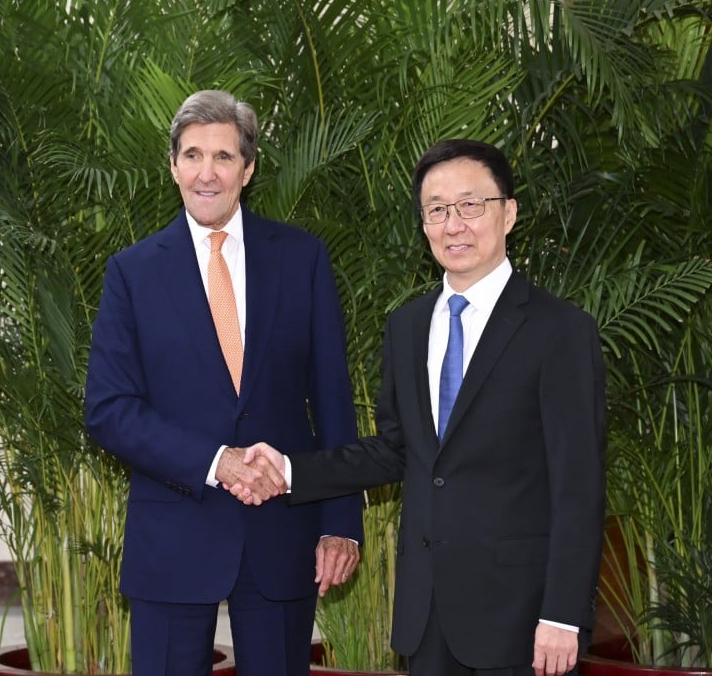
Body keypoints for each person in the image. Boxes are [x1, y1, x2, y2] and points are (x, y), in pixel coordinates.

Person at [231, 139, 607, 676]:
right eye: (437, 209)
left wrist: (563, 614)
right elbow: (395, 451)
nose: (454, 225)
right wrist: (290, 470)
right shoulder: (407, 327)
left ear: (508, 213)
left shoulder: (560, 330)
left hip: (522, 619)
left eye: (470, 205)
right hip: (425, 615)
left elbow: (578, 485)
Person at [84, 89, 362, 676]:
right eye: (192, 155)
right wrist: (217, 462)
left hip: (281, 535)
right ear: (173, 166)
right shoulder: (131, 272)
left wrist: (341, 524)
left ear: (248, 168)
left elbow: (333, 401)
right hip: (172, 537)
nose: (206, 173)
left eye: (223, 157)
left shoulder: (302, 259)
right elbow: (110, 409)